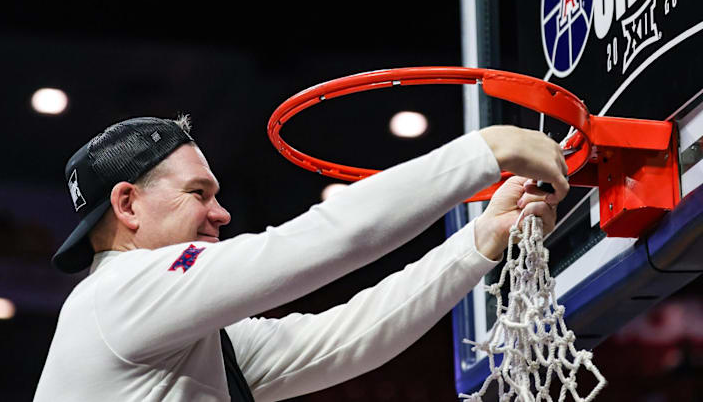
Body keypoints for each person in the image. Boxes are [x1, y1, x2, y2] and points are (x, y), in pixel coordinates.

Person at [34, 115, 568, 401]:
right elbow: (317, 241)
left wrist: (480, 238)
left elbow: (351, 338)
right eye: (199, 193)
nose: (221, 214)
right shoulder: (117, 293)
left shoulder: (184, 339)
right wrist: (481, 153)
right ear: (127, 204)